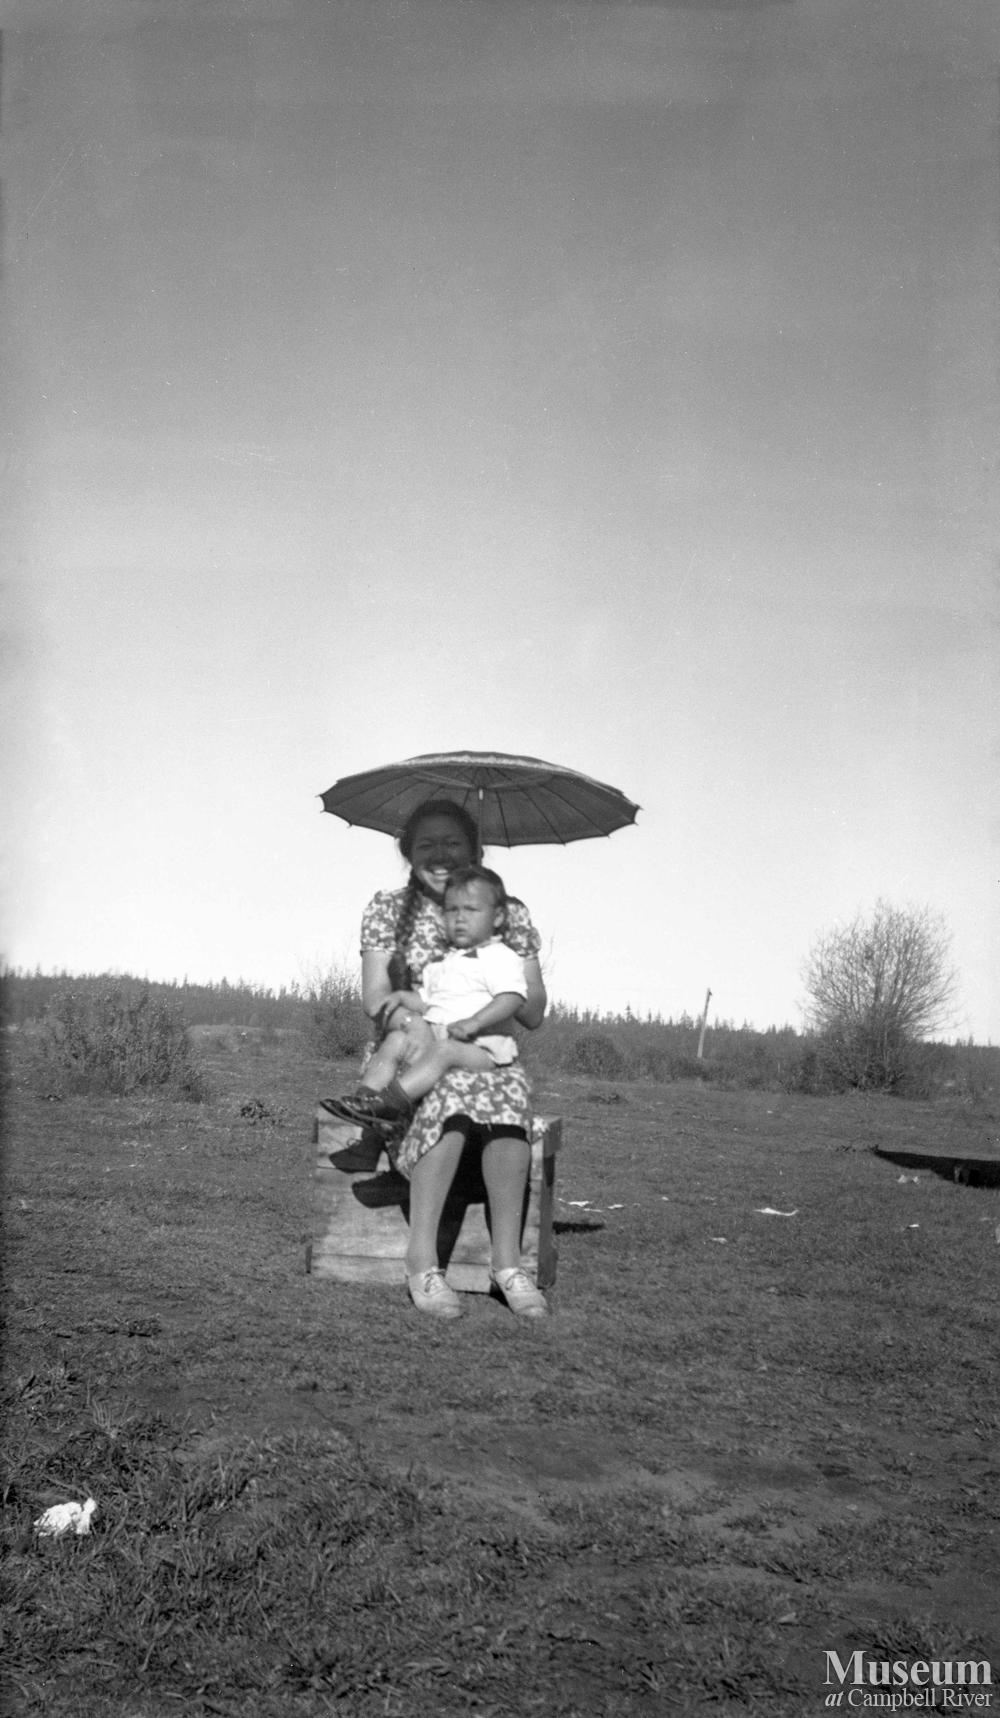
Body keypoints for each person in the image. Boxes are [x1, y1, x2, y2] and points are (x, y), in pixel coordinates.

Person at [341, 798, 549, 1321]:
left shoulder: (505, 910)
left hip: (483, 1053)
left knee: (508, 1103)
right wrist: (415, 1022)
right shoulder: (389, 909)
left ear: (474, 849)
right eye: (426, 843)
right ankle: (422, 1263)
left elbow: (532, 1014)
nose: (440, 854)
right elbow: (375, 997)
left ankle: (507, 1265)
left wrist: (514, 964)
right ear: (407, 851)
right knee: (450, 1095)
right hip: (410, 1052)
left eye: (453, 842)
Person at [324, 866, 527, 1130]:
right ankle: (366, 1098)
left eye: (471, 910)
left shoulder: (499, 956)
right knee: (397, 1040)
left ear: (497, 917)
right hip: (440, 1040)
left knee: (444, 1051)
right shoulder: (445, 962)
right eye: (452, 910)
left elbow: (511, 997)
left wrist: (475, 1022)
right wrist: (402, 997)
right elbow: (429, 1002)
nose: (460, 918)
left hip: (483, 1051)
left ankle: (390, 1104)